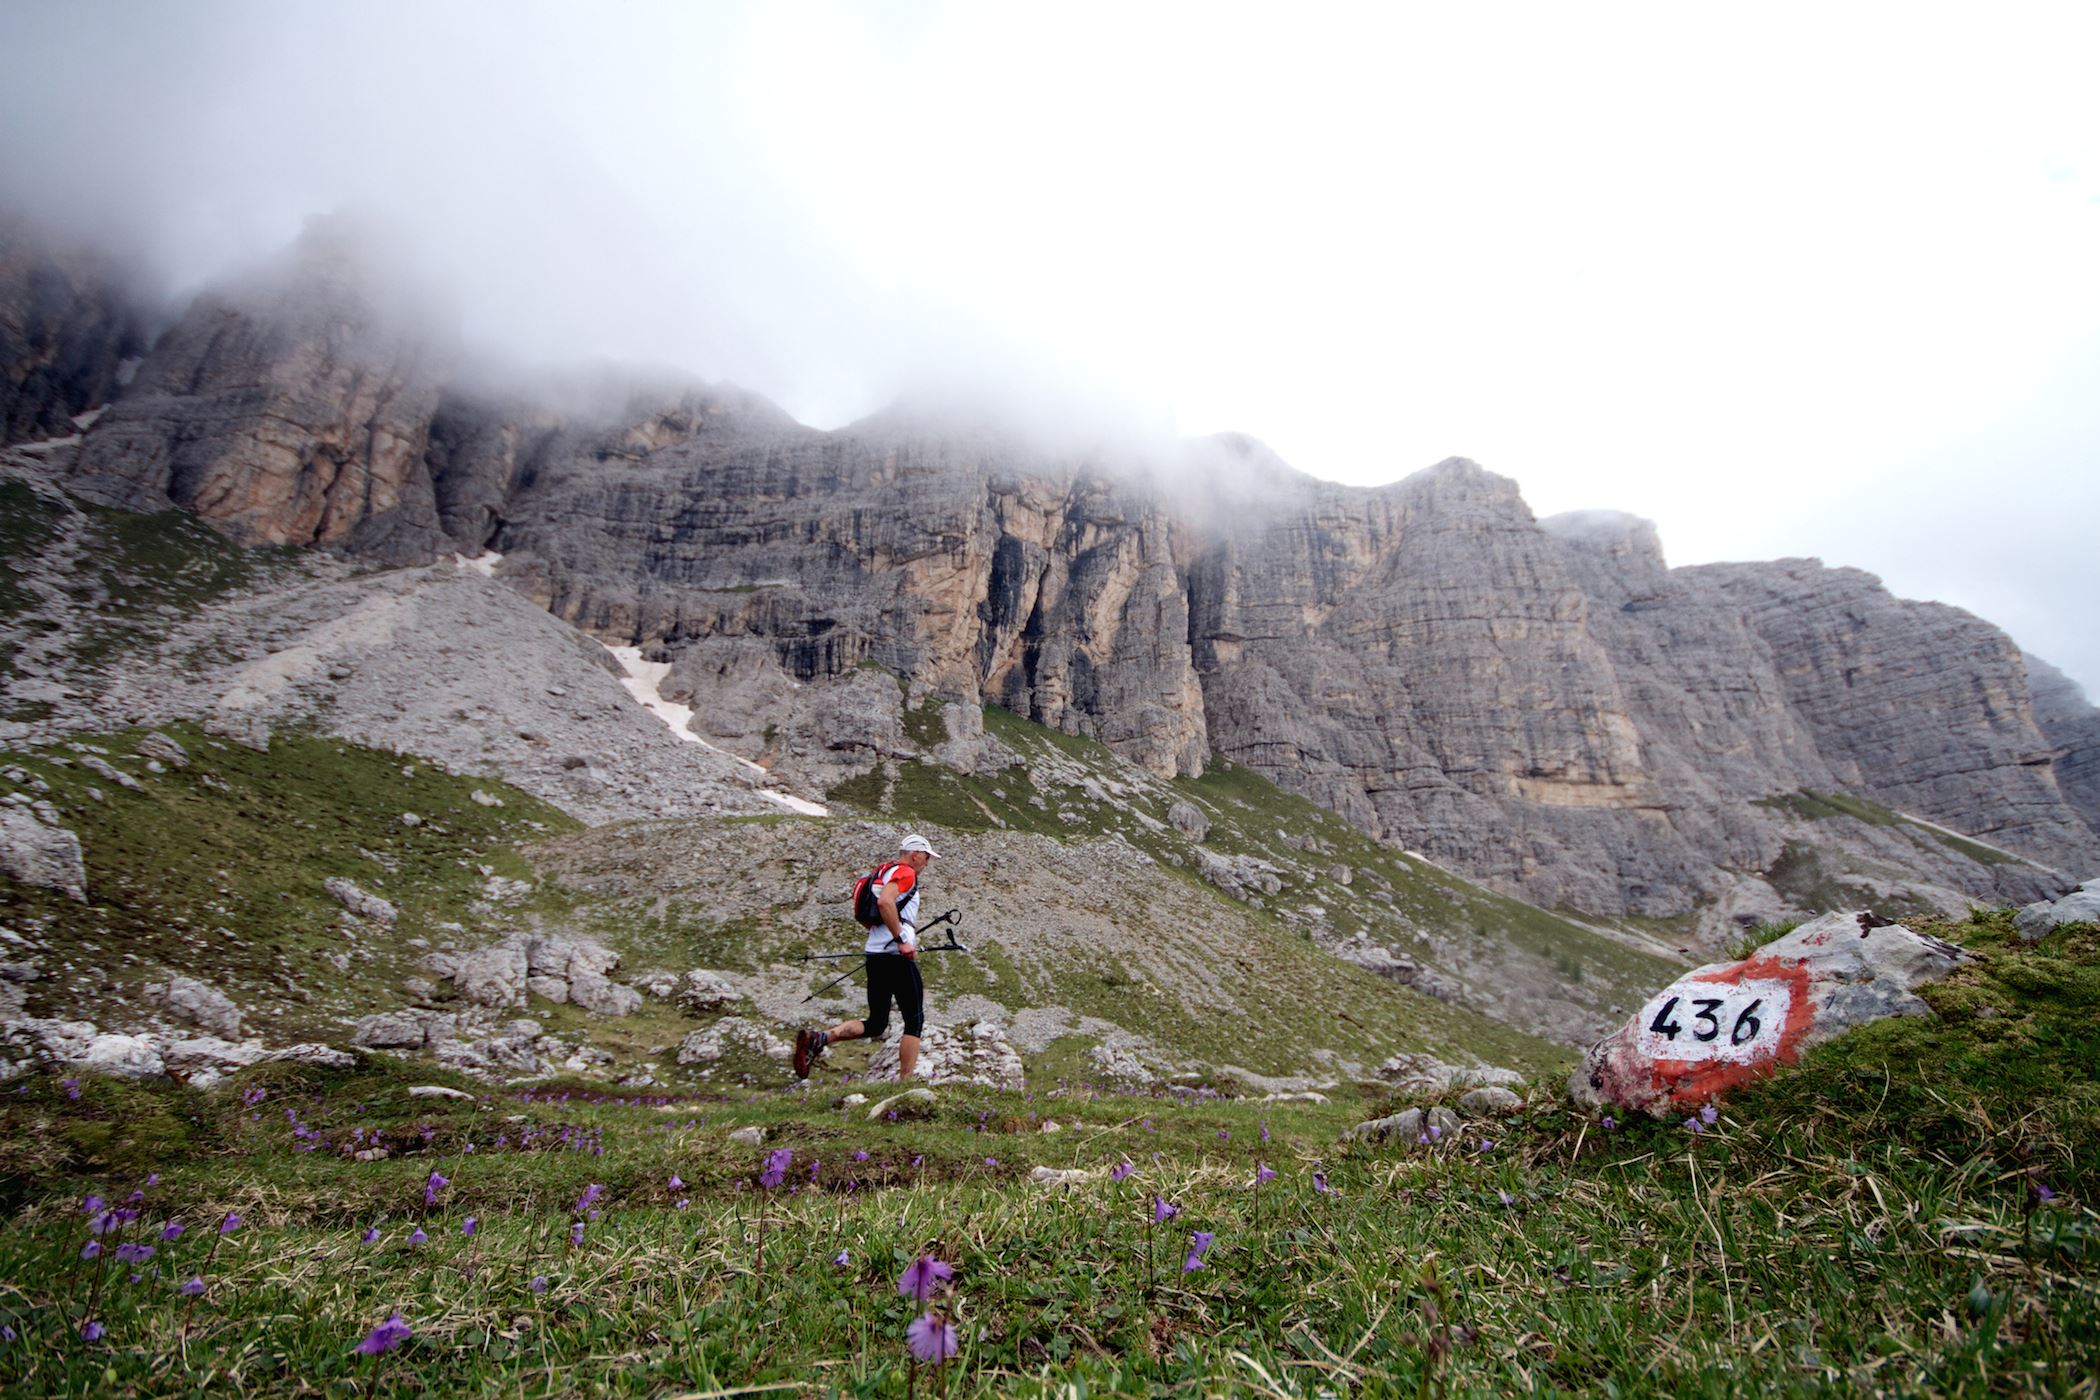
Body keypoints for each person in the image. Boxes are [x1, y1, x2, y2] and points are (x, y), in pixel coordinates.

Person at [794, 833, 940, 1081]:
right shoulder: (905, 872)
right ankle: (905, 1084)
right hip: (896, 956)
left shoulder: (880, 873)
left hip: (875, 954)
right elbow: (885, 903)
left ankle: (819, 1038)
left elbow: (864, 914)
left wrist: (884, 937)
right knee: (914, 1019)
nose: (926, 863)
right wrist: (901, 941)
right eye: (926, 857)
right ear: (915, 854)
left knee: (876, 1023)